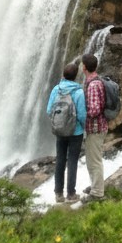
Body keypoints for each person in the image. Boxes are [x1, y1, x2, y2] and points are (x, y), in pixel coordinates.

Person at [46, 61, 86, 203]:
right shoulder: (79, 92)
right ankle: (71, 194)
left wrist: (58, 122)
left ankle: (58, 194)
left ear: (64, 74)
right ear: (76, 76)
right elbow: (81, 114)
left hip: (60, 131)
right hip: (76, 132)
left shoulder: (57, 89)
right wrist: (83, 126)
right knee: (73, 161)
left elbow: (49, 109)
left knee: (60, 160)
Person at [80, 53, 107, 201]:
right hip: (96, 127)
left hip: (96, 127)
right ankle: (95, 185)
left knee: (95, 160)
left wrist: (82, 115)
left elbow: (95, 109)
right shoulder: (93, 80)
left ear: (84, 67)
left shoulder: (93, 84)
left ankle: (97, 193)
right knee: (91, 159)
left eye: (82, 64)